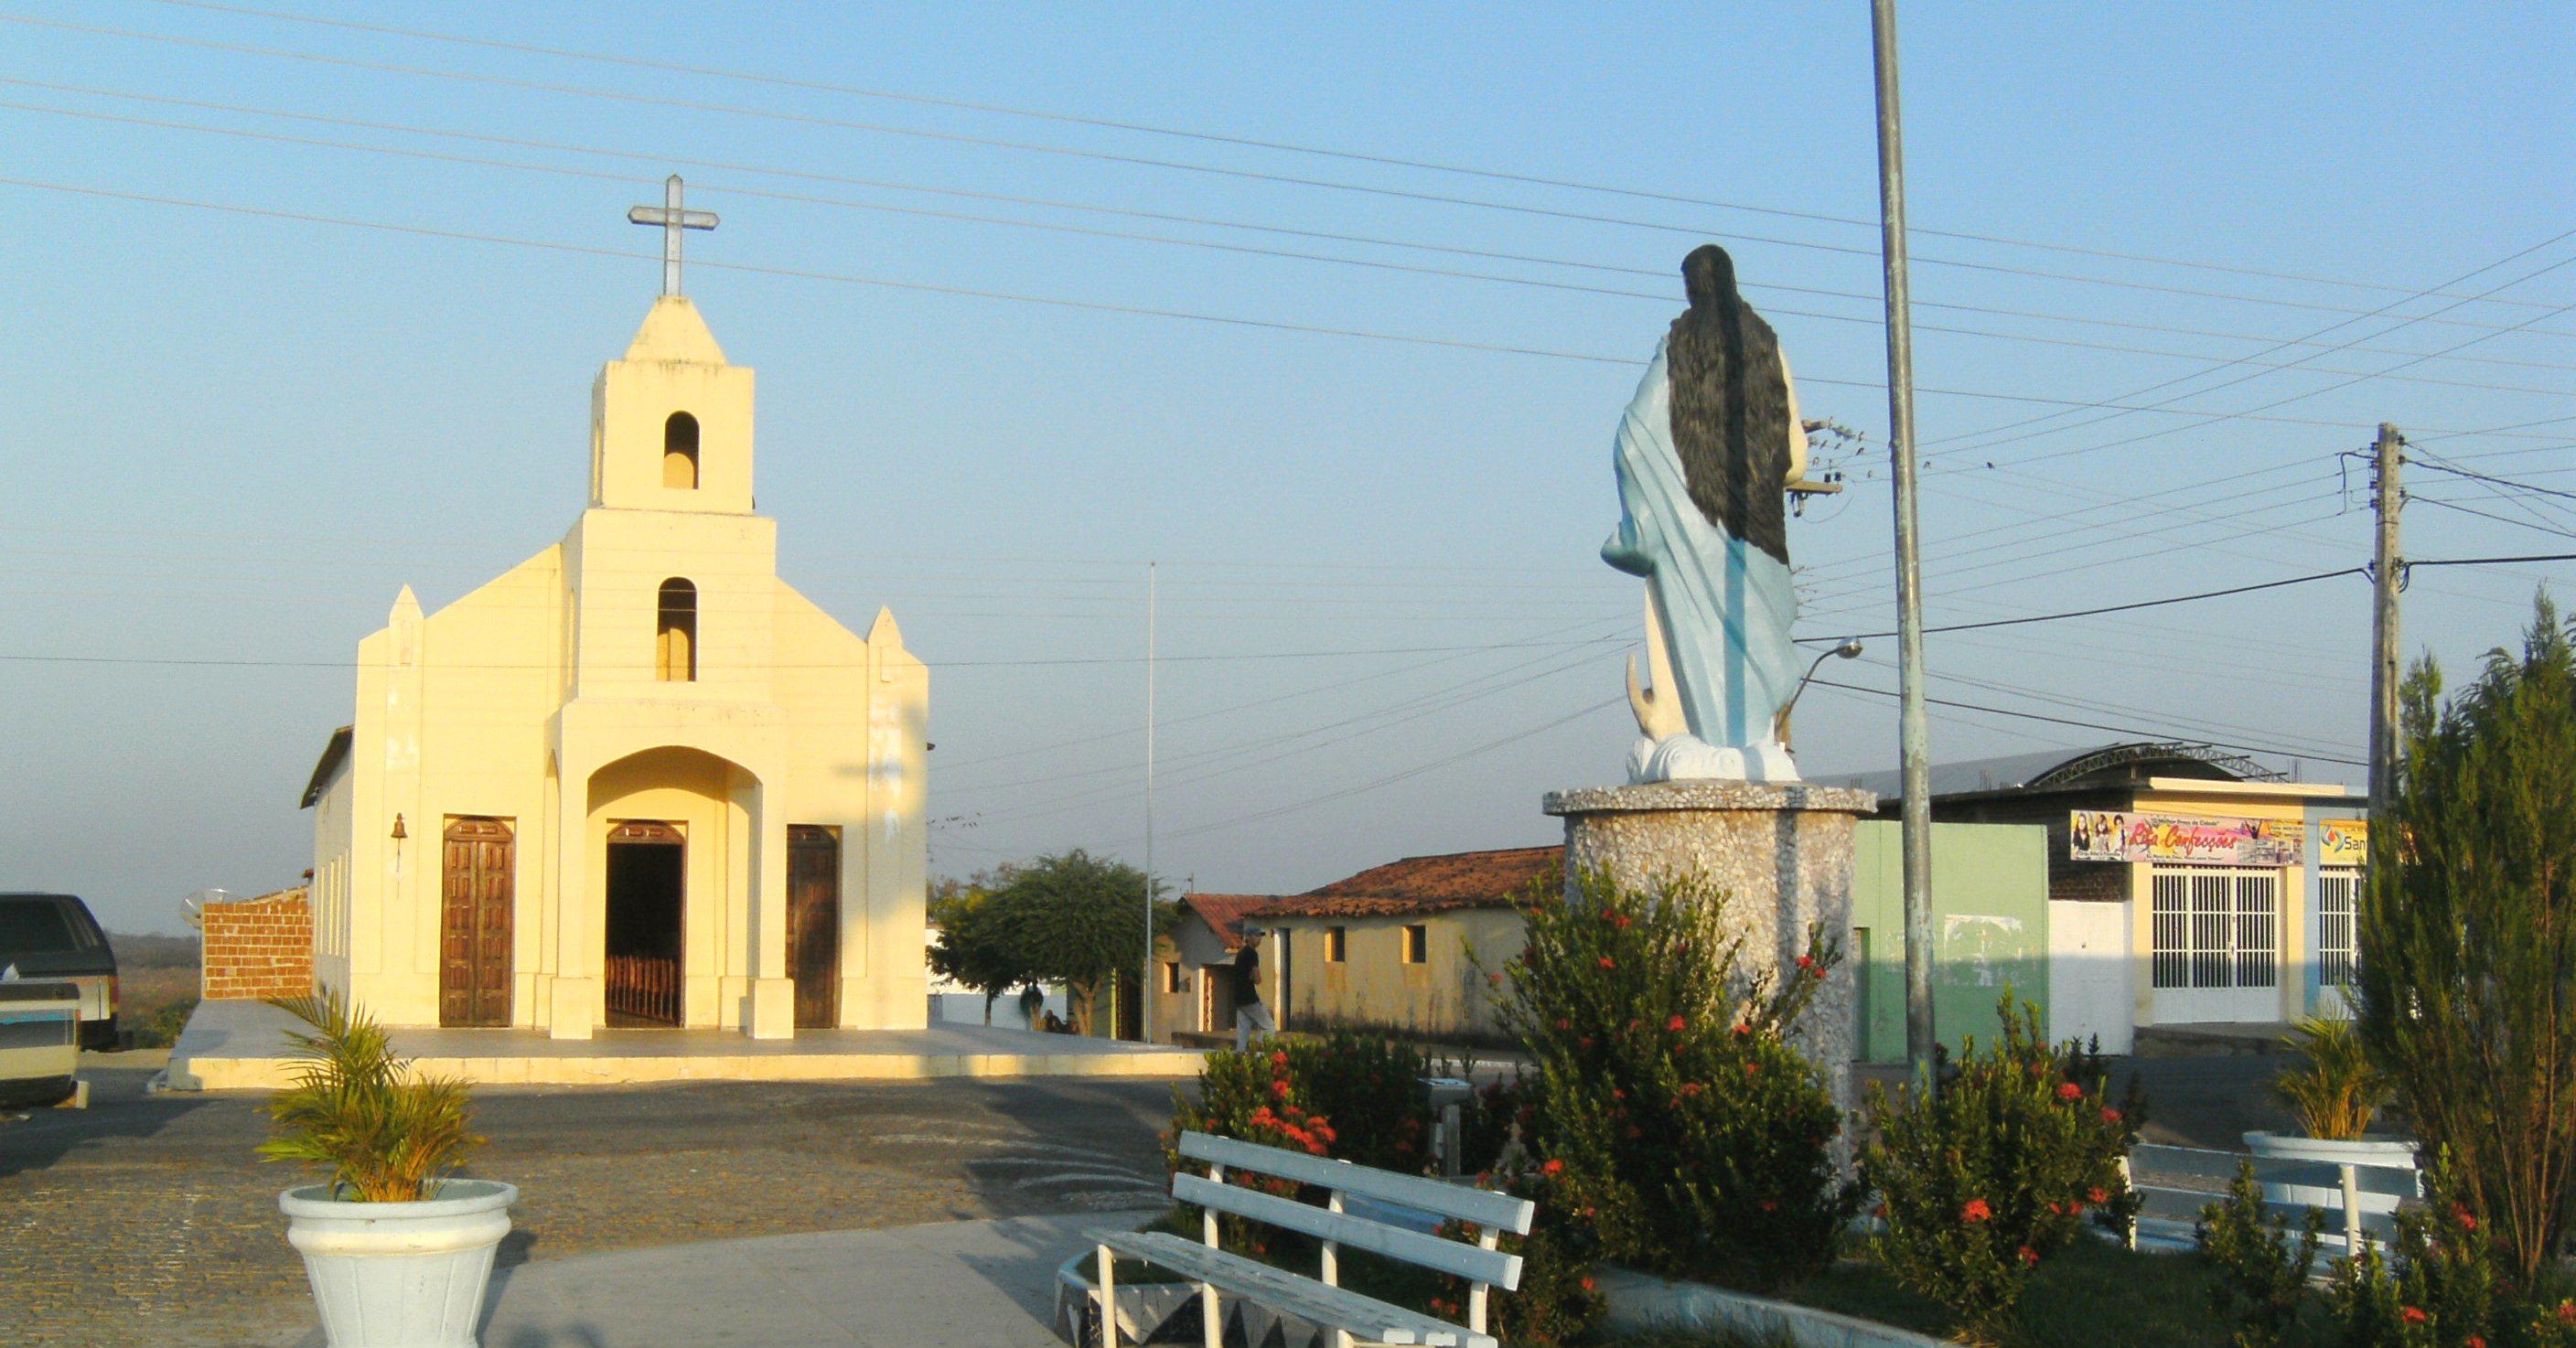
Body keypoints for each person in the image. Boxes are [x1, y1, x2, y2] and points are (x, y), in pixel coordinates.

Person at [1231, 934, 1276, 1051]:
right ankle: (1256, 1051)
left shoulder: (1240, 953)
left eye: (1260, 936)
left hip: (1238, 998)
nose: (1259, 939)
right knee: (1268, 1026)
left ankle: (1240, 1055)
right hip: (1250, 997)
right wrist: (1255, 976)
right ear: (1249, 937)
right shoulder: (1252, 953)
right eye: (1257, 936)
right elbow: (1257, 979)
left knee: (1243, 1031)